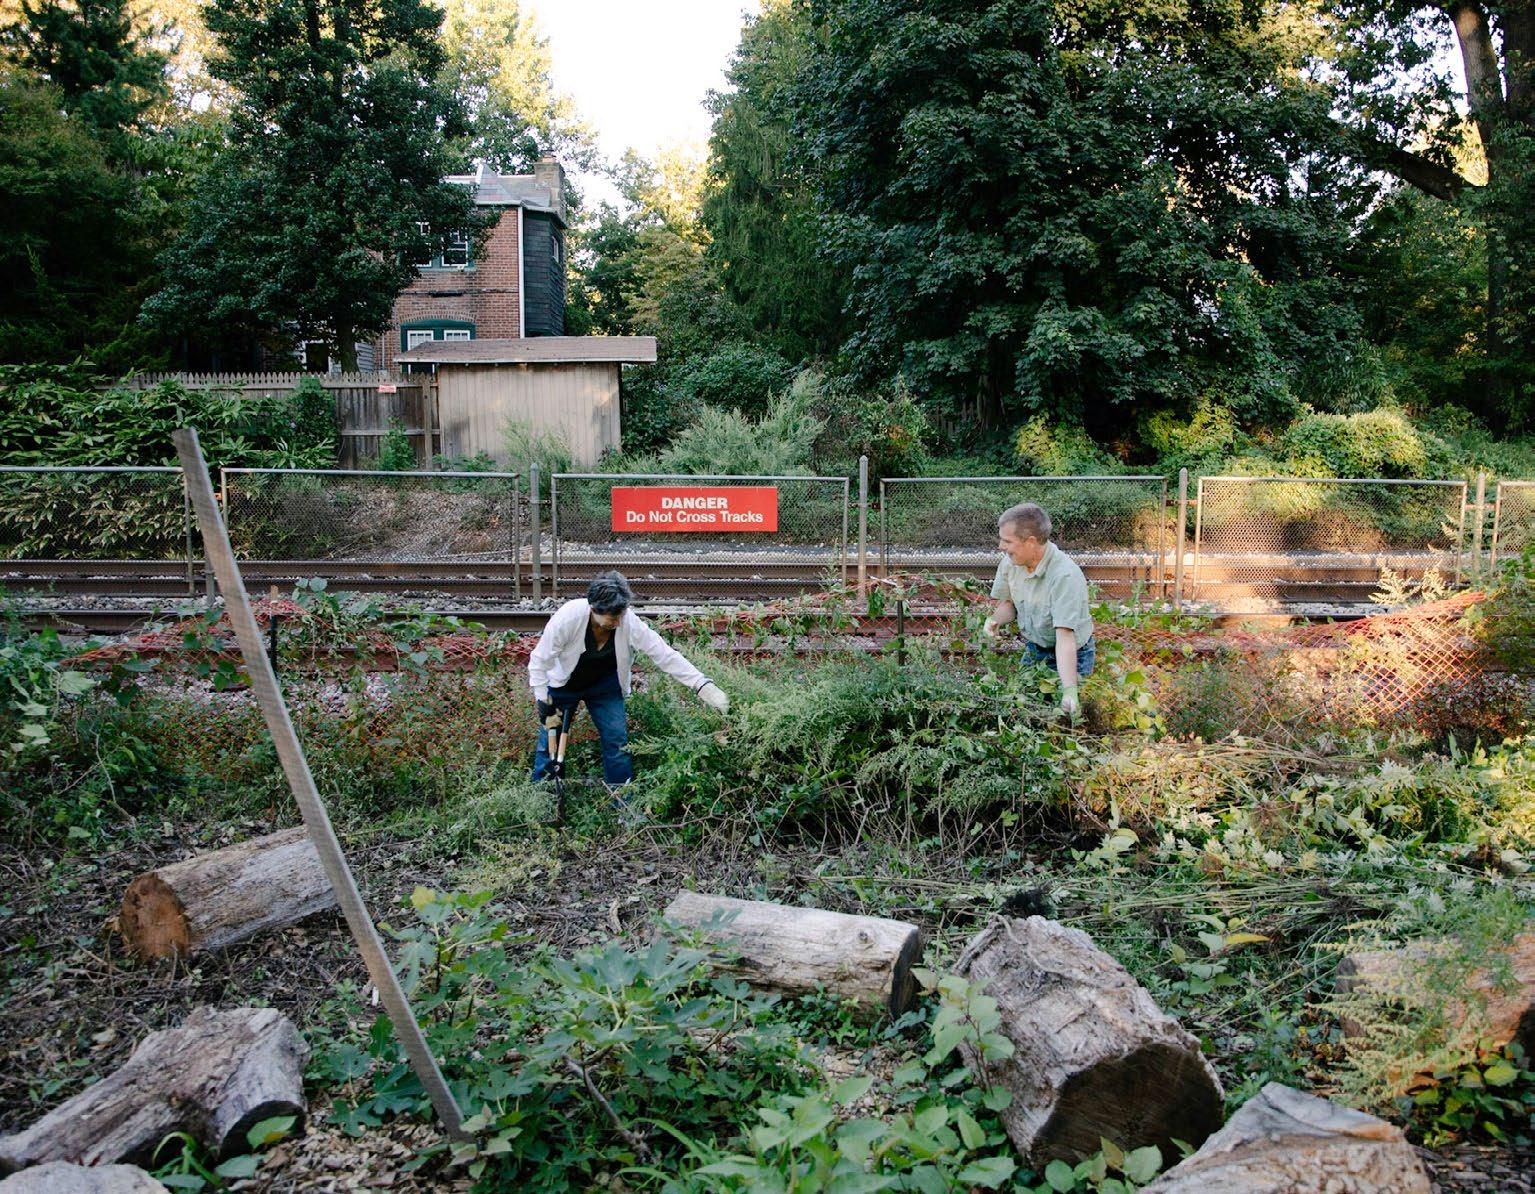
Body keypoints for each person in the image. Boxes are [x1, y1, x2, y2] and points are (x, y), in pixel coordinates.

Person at [529, 571, 729, 787]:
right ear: (594, 608)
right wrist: (544, 702)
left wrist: (701, 684)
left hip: (604, 686)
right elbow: (539, 661)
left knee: (617, 742)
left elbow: (663, 654)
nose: (618, 621)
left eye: (621, 614)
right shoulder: (568, 618)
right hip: (564, 685)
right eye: (612, 617)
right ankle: (543, 796)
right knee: (550, 741)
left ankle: (621, 799)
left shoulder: (627, 621)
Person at [983, 502, 1095, 717]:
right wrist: (995, 620)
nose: (1001, 546)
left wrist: (1069, 690)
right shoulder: (1011, 563)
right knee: (1025, 709)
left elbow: (1065, 637)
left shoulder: (1064, 576)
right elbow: (1009, 604)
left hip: (1072, 654)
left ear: (1031, 542)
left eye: (1007, 541)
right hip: (1035, 647)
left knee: (1066, 716)